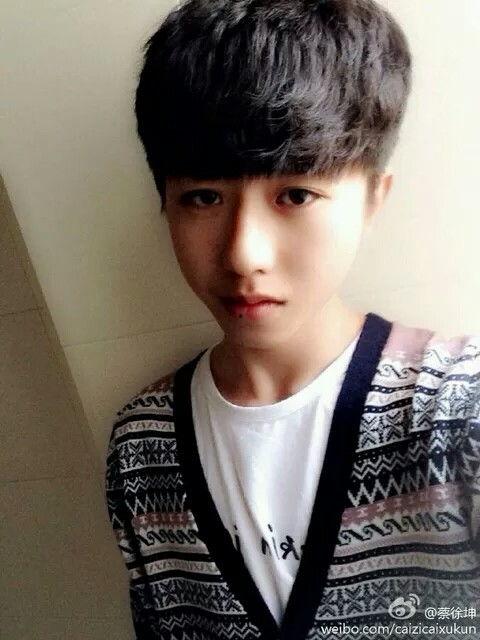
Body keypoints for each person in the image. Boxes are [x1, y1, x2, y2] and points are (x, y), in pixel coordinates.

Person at [104, 1, 480, 638]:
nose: (243, 255)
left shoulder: (454, 409)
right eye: (203, 197)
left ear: (372, 198)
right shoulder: (142, 447)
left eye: (296, 194)